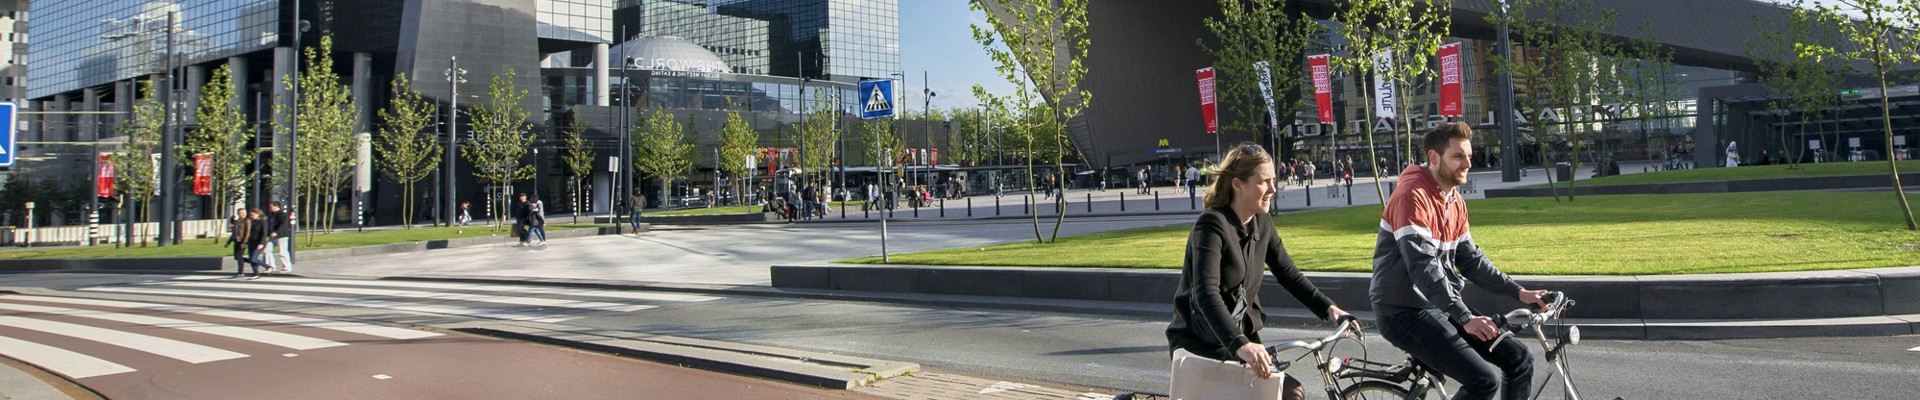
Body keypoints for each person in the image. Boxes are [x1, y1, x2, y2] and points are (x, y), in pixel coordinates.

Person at [1372, 122, 1551, 400]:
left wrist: (1520, 292)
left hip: (1438, 304)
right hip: (1402, 312)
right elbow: (1423, 267)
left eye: (1469, 156)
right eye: (1458, 156)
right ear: (1434, 157)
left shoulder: (1453, 201)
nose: (1468, 163)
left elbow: (1472, 261)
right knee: (1483, 382)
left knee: (1520, 359)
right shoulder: (1412, 196)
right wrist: (1465, 317)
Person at [1167, 143, 1358, 400]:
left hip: (1241, 339)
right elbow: (1206, 293)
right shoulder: (1211, 225)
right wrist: (1240, 344)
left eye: (1273, 180)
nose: (1272, 189)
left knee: (1284, 391)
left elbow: (1287, 272)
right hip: (1203, 344)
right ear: (1238, 185)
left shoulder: (1260, 221)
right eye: (1264, 182)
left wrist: (1329, 309)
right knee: (1289, 393)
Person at [228, 208, 268, 280]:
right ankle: (256, 272)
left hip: (246, 241)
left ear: (258, 214)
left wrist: (245, 242)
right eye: (241, 213)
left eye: (244, 213)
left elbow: (249, 233)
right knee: (238, 257)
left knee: (247, 258)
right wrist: (229, 241)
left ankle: (242, 272)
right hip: (243, 241)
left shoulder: (248, 221)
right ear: (238, 213)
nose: (243, 214)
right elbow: (235, 232)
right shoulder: (239, 221)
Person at [262, 201, 295, 274]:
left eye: (271, 207)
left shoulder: (282, 214)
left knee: (283, 251)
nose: (270, 208)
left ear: (276, 206)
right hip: (272, 236)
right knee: (267, 250)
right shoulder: (271, 215)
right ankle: (270, 266)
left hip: (281, 235)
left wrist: (276, 232)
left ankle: (287, 267)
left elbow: (283, 225)